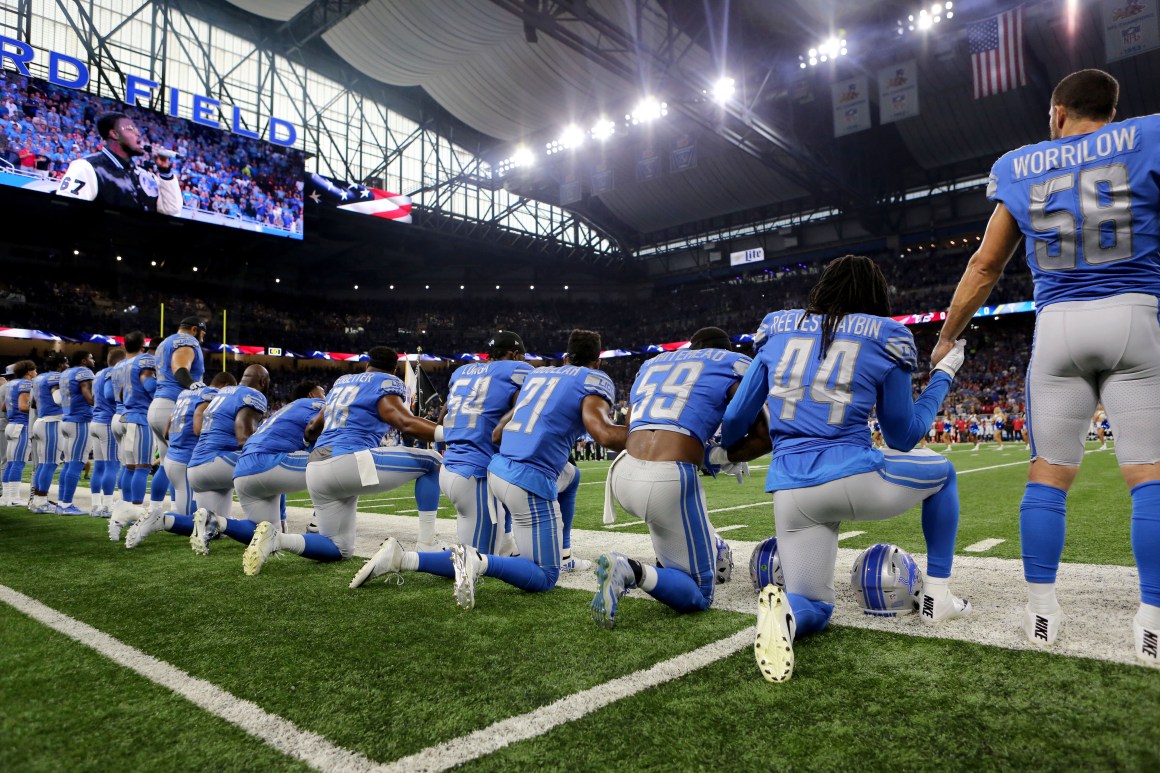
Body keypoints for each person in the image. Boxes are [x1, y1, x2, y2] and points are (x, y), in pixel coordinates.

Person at [931, 69, 1160, 666]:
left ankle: (1041, 611)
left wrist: (948, 334)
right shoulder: (1149, 136)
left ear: (1059, 112)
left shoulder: (1023, 163)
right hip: (1135, 315)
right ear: (1111, 109)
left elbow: (984, 266)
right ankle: (1152, 623)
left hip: (1057, 323)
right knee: (1150, 477)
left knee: (1047, 476)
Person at [722, 255, 972, 683]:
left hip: (790, 491)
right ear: (877, 296)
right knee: (943, 474)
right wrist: (943, 375)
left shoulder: (777, 329)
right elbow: (902, 436)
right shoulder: (886, 334)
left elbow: (733, 421)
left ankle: (788, 617)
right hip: (853, 476)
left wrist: (730, 452)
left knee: (815, 605)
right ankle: (938, 596)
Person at [589, 326, 769, 629]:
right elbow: (765, 436)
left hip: (622, 471)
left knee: (673, 561)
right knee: (700, 591)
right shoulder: (734, 362)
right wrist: (721, 455)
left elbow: (636, 426)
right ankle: (630, 569)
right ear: (726, 348)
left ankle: (662, 569)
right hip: (667, 480)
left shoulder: (651, 365)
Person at [447, 330, 626, 610]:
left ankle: (409, 558)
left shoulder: (538, 374)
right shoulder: (592, 380)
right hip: (528, 481)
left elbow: (497, 433)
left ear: (566, 358)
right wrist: (655, 436)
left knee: (572, 475)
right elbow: (603, 434)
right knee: (544, 576)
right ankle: (477, 561)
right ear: (598, 363)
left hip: (497, 470)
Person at [242, 347, 442, 575]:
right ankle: (427, 545)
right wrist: (448, 433)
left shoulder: (342, 383)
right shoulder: (386, 381)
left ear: (367, 364)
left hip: (315, 468)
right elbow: (405, 423)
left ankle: (277, 540)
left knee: (339, 548)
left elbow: (312, 429)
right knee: (432, 460)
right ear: (394, 370)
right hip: (349, 461)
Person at [126, 365, 269, 548]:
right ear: (263, 381)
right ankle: (279, 524)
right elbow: (237, 436)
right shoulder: (242, 395)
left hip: (190, 462)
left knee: (212, 527)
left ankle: (156, 518)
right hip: (210, 460)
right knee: (267, 467)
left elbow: (168, 430)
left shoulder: (203, 394)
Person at [190, 380, 325, 555]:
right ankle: (317, 523)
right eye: (322, 392)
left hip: (234, 469)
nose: (326, 396)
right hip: (256, 462)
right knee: (332, 463)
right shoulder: (316, 404)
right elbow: (312, 429)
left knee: (268, 535)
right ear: (312, 395)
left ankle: (216, 521)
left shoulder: (285, 411)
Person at [54, 111, 181, 215]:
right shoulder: (87, 167)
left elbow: (171, 209)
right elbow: (66, 212)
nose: (138, 133)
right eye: (130, 129)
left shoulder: (146, 176)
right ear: (114, 134)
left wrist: (165, 171)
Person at [146, 317, 207, 515]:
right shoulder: (188, 341)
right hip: (175, 407)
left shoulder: (164, 343)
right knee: (184, 464)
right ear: (194, 329)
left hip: (158, 405)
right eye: (203, 334)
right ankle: (185, 514)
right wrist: (194, 387)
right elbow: (180, 367)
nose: (203, 339)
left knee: (167, 466)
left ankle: (157, 511)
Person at [108, 332, 157, 534]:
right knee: (142, 467)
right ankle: (136, 514)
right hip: (139, 416)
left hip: (124, 415)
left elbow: (114, 394)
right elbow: (149, 384)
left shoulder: (119, 364)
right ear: (142, 345)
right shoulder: (144, 360)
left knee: (128, 467)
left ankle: (123, 508)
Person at [56, 350, 96, 515]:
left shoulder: (66, 373)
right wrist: (98, 404)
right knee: (77, 463)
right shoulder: (84, 372)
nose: (93, 359)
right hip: (79, 420)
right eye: (90, 357)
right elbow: (87, 393)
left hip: (67, 419)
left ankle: (61, 502)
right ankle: (66, 504)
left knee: (69, 463)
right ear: (84, 361)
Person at [88, 348, 126, 518]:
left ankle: (96, 505)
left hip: (95, 420)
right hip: (106, 421)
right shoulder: (113, 372)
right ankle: (107, 506)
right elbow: (109, 395)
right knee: (112, 465)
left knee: (99, 466)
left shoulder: (99, 373)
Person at [28, 352, 67, 513]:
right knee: (50, 464)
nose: (68, 366)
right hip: (52, 422)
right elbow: (58, 399)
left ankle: (37, 500)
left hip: (41, 421)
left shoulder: (38, 378)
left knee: (44, 464)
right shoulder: (56, 377)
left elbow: (33, 404)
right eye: (66, 362)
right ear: (60, 364)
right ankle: (41, 501)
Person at [1, 360, 37, 506]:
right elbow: (23, 406)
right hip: (21, 426)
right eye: (35, 370)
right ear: (29, 371)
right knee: (18, 462)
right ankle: (14, 498)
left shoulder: (9, 384)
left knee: (10, 462)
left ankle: (6, 497)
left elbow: (4, 407)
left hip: (11, 425)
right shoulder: (26, 384)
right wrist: (38, 409)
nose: (36, 373)